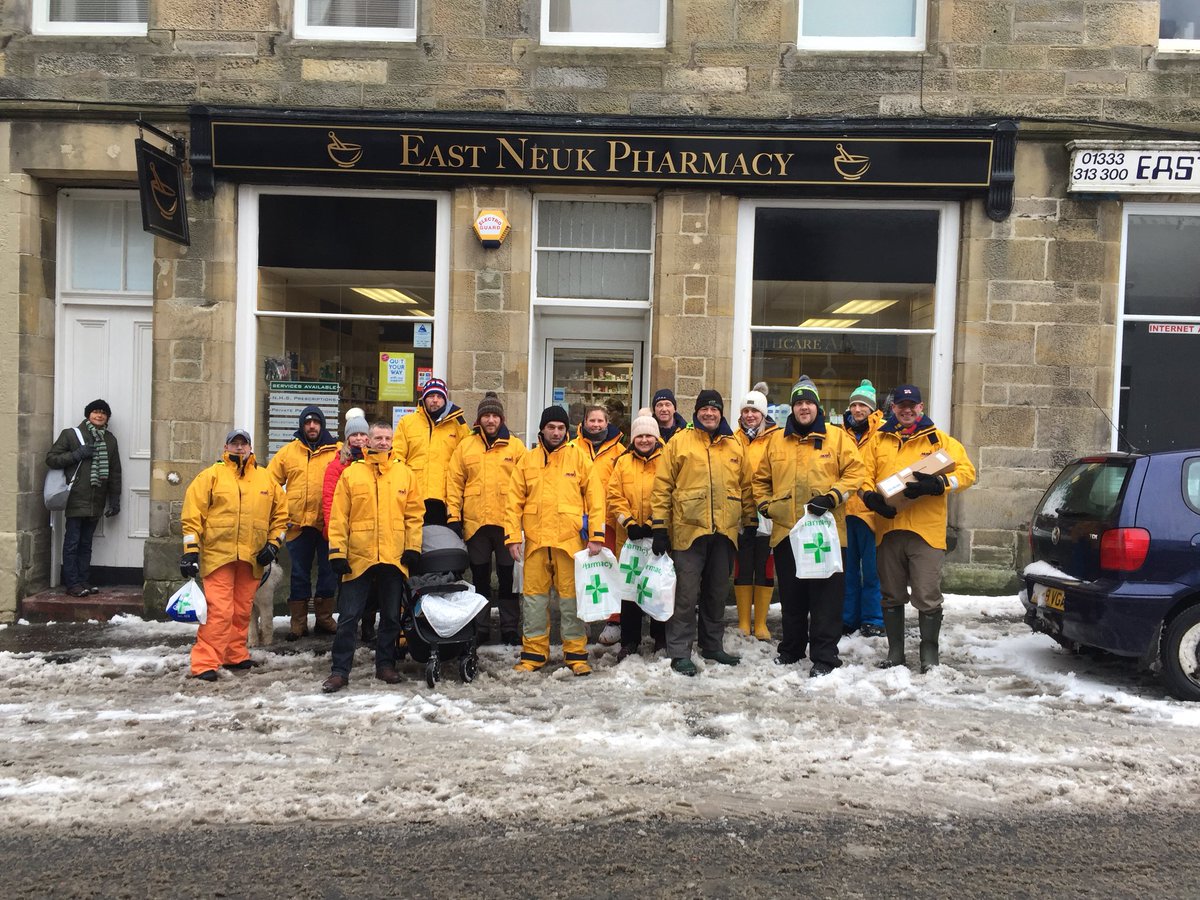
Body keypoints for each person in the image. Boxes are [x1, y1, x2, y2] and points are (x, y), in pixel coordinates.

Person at [753, 376, 866, 677]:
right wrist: (766, 506)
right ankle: (791, 649)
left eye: (809, 402)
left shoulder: (838, 438)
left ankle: (825, 657)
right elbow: (760, 480)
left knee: (825, 599)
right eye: (799, 403)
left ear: (818, 406)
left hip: (825, 534)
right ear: (792, 408)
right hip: (787, 531)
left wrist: (832, 497)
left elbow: (856, 473)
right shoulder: (775, 440)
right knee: (792, 596)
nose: (804, 408)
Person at [860, 384, 976, 672]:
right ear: (894, 409)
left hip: (926, 531)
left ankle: (929, 655)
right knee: (891, 593)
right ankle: (895, 653)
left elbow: (967, 473)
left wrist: (939, 484)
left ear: (921, 408)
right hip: (888, 528)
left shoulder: (940, 440)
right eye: (901, 405)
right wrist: (871, 498)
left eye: (912, 406)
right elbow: (861, 474)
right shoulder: (879, 440)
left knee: (927, 595)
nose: (907, 410)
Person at [650, 390, 754, 676]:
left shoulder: (734, 446)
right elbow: (662, 488)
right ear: (696, 412)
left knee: (717, 593)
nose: (709, 414)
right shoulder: (679, 442)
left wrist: (750, 521)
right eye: (704, 410)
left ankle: (712, 645)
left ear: (721, 413)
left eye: (715, 410)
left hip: (725, 531)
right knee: (685, 595)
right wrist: (660, 527)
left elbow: (745, 487)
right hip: (688, 530)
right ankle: (680, 651)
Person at [323, 422, 424, 693]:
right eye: (377, 437)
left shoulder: (405, 474)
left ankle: (385, 665)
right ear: (367, 440)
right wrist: (337, 552)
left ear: (392, 441)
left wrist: (413, 546)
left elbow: (414, 515)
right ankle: (340, 671)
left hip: (393, 556)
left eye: (386, 437)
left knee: (391, 616)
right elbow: (339, 517)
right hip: (359, 556)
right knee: (348, 617)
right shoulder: (352, 474)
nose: (382, 442)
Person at [505, 405, 605, 676]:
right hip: (536, 543)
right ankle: (534, 654)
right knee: (534, 602)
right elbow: (513, 501)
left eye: (561, 428)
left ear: (567, 430)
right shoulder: (527, 460)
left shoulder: (580, 459)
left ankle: (576, 654)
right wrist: (513, 537)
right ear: (542, 429)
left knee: (571, 602)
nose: (557, 432)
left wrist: (596, 536)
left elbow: (596, 498)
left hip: (569, 543)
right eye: (552, 427)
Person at [180, 428, 287, 682]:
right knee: (219, 611)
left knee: (241, 611)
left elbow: (282, 516)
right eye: (234, 444)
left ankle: (235, 654)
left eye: (244, 443)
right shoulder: (210, 477)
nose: (239, 448)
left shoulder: (266, 479)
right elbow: (192, 516)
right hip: (219, 557)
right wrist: (190, 552)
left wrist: (273, 545)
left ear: (251, 447)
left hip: (252, 558)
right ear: (226, 447)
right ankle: (204, 662)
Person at [446, 391, 527, 646]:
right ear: (479, 419)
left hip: (506, 525)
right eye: (486, 416)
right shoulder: (465, 446)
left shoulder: (516, 447)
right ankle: (479, 626)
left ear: (501, 419)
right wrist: (453, 517)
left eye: (494, 415)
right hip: (476, 524)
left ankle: (509, 628)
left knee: (507, 581)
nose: (490, 420)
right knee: (479, 579)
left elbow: (526, 484)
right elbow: (454, 483)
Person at [267, 405, 340, 641]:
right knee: (299, 573)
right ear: (302, 425)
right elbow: (269, 484)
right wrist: (278, 513)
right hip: (297, 524)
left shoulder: (337, 451)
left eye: (316, 422)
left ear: (322, 425)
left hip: (327, 522)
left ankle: (324, 618)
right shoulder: (288, 452)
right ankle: (298, 623)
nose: (311, 426)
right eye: (307, 422)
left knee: (328, 572)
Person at [46, 399, 122, 597]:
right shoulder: (71, 435)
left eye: (103, 413)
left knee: (86, 543)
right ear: (88, 414)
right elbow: (52, 459)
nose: (99, 415)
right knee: (72, 542)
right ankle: (72, 584)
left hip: (96, 500)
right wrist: (77, 454)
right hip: (76, 498)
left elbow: (115, 472)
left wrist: (115, 500)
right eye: (96, 412)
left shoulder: (110, 439)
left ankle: (83, 580)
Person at [607, 409, 667, 660]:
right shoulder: (622, 462)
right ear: (633, 438)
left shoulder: (667, 460)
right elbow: (614, 496)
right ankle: (630, 641)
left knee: (657, 588)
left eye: (648, 435)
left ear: (656, 437)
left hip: (657, 537)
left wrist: (655, 523)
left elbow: (668, 493)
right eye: (639, 435)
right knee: (630, 592)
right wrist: (629, 522)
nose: (644, 440)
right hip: (630, 540)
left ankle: (660, 639)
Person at [569, 404, 625, 645]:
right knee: (580, 572)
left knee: (610, 571)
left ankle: (614, 621)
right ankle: (582, 620)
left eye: (600, 421)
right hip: (578, 519)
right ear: (584, 422)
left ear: (607, 422)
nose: (596, 425)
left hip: (609, 520)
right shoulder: (572, 448)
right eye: (592, 420)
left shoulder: (619, 450)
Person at [840, 379, 886, 638]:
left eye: (863, 406)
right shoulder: (840, 433)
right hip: (845, 511)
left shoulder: (882, 433)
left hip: (871, 512)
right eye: (854, 405)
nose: (858, 410)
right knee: (847, 571)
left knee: (871, 570)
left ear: (872, 408)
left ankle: (873, 618)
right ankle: (848, 617)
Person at [733, 383, 779, 641]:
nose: (750, 415)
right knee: (743, 567)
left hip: (767, 514)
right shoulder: (732, 438)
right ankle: (742, 621)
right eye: (746, 411)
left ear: (763, 414)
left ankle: (760, 623)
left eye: (755, 411)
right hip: (741, 514)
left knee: (764, 567)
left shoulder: (776, 437)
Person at [321, 416, 373, 640]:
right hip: (346, 536)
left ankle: (369, 626)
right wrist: (337, 536)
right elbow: (329, 502)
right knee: (348, 585)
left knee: (372, 584)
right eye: (355, 434)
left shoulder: (376, 463)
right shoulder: (337, 466)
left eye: (363, 435)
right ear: (347, 438)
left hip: (370, 534)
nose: (359, 439)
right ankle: (347, 629)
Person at [393, 377, 471, 525]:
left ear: (445, 399)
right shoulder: (407, 422)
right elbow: (398, 457)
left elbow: (466, 458)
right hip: (414, 496)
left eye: (439, 396)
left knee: (442, 544)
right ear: (424, 398)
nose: (435, 400)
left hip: (445, 499)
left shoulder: (458, 424)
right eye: (431, 396)